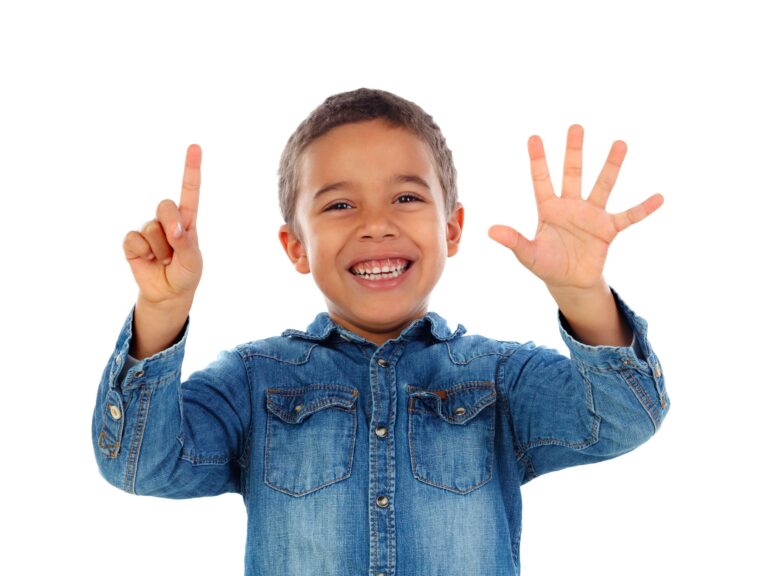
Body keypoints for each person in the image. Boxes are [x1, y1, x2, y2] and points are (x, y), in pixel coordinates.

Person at [93, 88, 669, 576]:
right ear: (296, 246)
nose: (376, 224)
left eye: (406, 197)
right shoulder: (254, 380)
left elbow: (625, 417)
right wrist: (162, 311)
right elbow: (140, 463)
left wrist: (581, 294)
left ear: (452, 228)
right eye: (340, 204)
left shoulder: (499, 378)